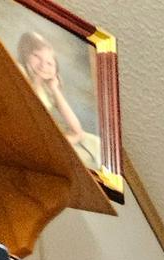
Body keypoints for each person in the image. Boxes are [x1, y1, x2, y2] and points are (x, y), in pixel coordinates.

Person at [15, 30, 101, 171]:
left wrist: (54, 89)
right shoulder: (19, 73)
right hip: (32, 137)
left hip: (48, 134)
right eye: (36, 56)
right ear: (25, 54)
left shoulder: (46, 87)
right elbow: (27, 113)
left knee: (94, 144)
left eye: (49, 62)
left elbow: (76, 128)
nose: (43, 65)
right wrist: (73, 138)